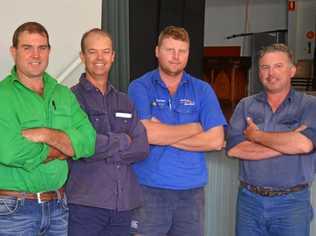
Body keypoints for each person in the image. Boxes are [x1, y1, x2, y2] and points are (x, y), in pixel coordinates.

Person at [128, 25, 226, 236]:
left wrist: (162, 133)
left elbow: (216, 140)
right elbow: (147, 134)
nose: (175, 56)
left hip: (191, 194)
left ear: (188, 54)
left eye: (182, 51)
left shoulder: (202, 90)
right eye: (169, 50)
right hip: (149, 190)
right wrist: (195, 127)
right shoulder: (140, 87)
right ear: (157, 51)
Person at [0, 22, 96, 236]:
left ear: (49, 51)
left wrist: (45, 134)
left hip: (58, 208)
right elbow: (9, 151)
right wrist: (63, 149)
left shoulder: (63, 94)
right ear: (13, 52)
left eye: (42, 48)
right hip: (14, 211)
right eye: (27, 48)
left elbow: (89, 141)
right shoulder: (2, 96)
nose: (36, 55)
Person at [66, 28, 149, 236]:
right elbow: (81, 145)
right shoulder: (70, 99)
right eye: (92, 52)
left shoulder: (124, 100)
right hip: (85, 206)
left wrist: (101, 147)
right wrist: (122, 140)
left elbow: (141, 147)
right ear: (82, 56)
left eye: (105, 51)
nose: (99, 58)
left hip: (123, 206)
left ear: (113, 56)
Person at [227, 43, 316, 236]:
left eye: (278, 66)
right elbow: (234, 149)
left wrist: (256, 136)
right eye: (265, 67)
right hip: (249, 202)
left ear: (292, 70)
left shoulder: (310, 105)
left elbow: (304, 144)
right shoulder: (245, 105)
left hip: (292, 204)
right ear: (259, 72)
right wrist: (288, 143)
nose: (271, 73)